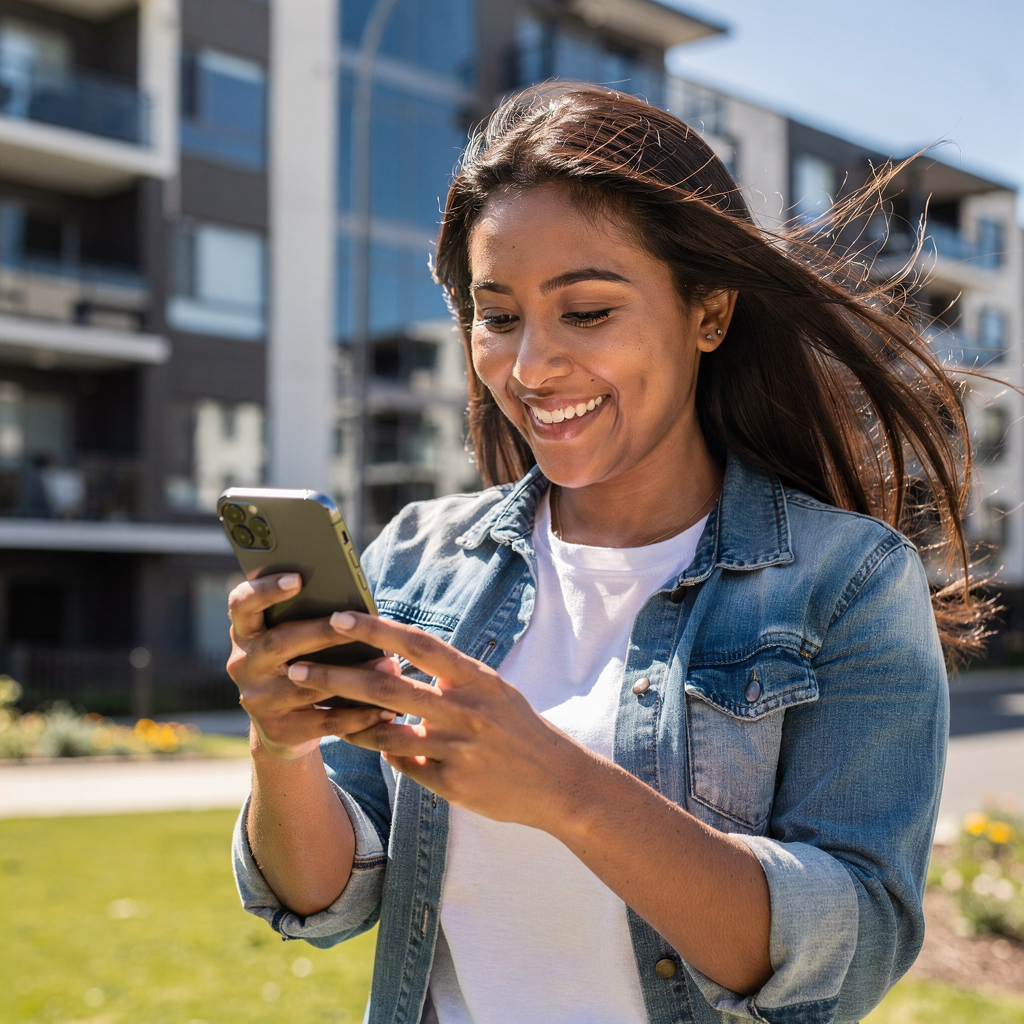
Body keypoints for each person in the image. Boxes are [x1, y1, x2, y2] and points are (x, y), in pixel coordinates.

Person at [228, 85, 984, 1024]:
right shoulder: (420, 558)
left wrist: (562, 788)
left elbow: (853, 951)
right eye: (497, 317)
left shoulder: (849, 581)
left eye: (585, 312)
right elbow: (324, 898)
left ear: (709, 313)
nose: (531, 367)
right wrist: (281, 744)